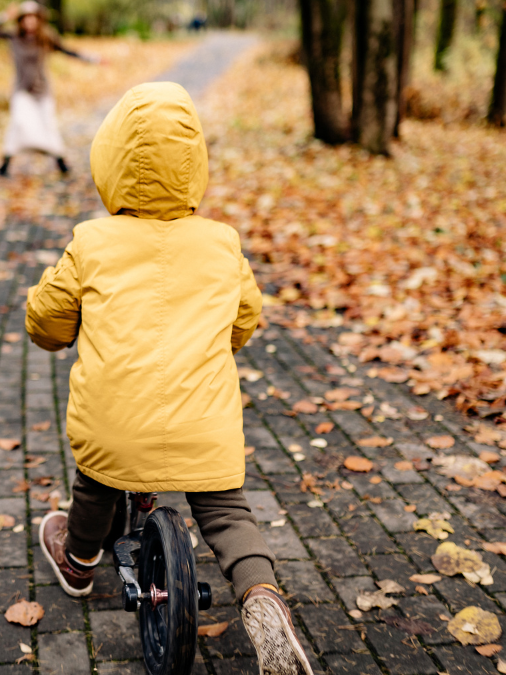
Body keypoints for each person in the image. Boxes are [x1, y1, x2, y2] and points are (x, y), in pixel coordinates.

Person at [26, 82, 315, 675]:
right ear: (194, 166)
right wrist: (221, 341)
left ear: (109, 161)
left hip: (116, 422)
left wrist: (58, 331)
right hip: (202, 424)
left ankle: (79, 562)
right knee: (228, 512)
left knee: (97, 482)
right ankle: (261, 598)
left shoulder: (92, 242)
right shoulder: (220, 243)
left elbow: (47, 319)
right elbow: (245, 319)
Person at [0, 2, 98, 177]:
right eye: (26, 18)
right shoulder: (15, 37)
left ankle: (60, 161)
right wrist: (4, 17)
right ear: (21, 20)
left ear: (39, 20)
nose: (30, 21)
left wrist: (91, 58)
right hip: (22, 89)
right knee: (17, 123)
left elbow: (66, 50)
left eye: (33, 18)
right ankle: (5, 164)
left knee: (49, 125)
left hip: (42, 91)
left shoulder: (46, 37)